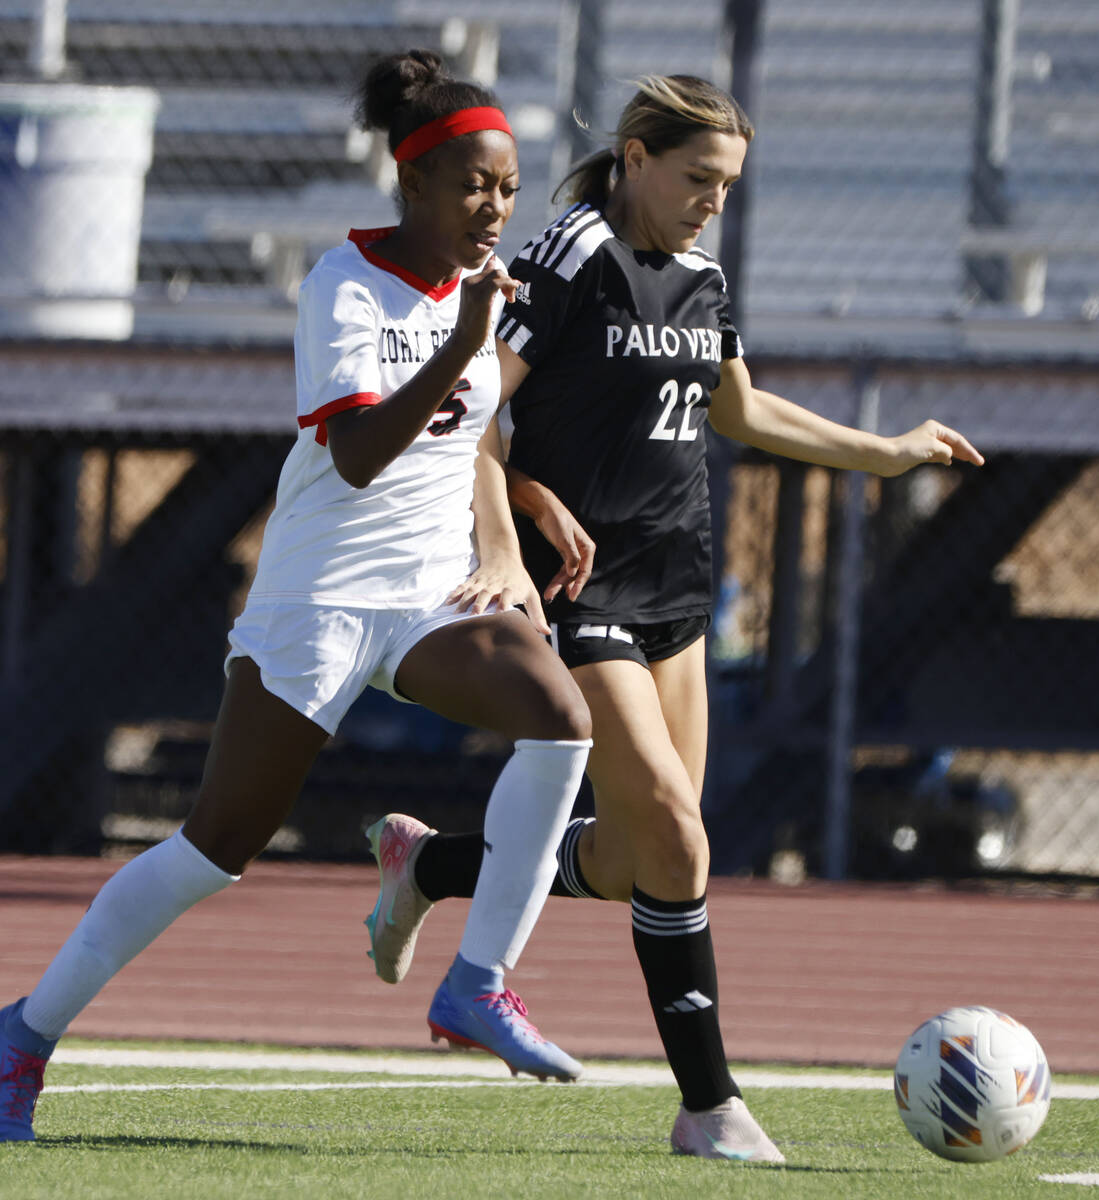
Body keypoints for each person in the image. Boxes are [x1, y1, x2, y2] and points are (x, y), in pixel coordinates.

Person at [363, 73, 985, 1164]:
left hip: (677, 597)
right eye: (698, 178)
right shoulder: (569, 257)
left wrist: (882, 452)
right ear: (637, 156)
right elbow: (473, 408)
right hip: (579, 590)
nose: (714, 202)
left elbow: (740, 409)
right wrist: (508, 533)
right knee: (678, 832)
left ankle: (435, 868)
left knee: (648, 858)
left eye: (730, 186)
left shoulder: (702, 274)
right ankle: (709, 1108)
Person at [0, 49, 595, 1144]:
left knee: (562, 718)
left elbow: (476, 435)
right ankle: (24, 1035)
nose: (494, 208)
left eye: (508, 189)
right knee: (214, 850)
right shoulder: (342, 283)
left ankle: (477, 983)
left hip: (428, 596)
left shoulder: (477, 289)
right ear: (413, 184)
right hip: (318, 600)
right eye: (474, 185)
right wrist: (464, 341)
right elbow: (364, 452)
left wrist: (508, 535)